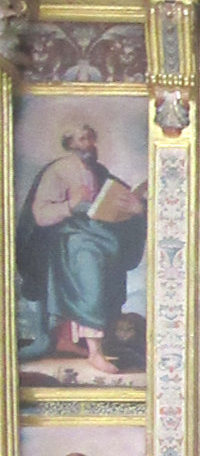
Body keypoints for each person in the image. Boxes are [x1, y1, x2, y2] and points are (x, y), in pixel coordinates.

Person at [16, 122, 147, 374]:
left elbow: (118, 203)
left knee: (107, 259)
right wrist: (70, 205)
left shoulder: (99, 172)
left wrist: (135, 208)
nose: (88, 145)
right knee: (90, 267)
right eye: (81, 140)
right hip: (67, 240)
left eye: (90, 139)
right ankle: (95, 353)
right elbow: (41, 214)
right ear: (70, 144)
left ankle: (81, 343)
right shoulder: (58, 170)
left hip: (100, 236)